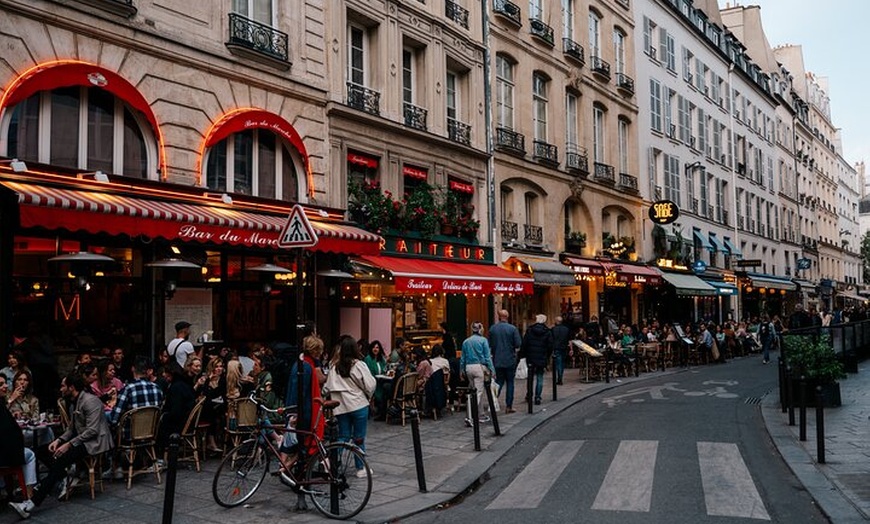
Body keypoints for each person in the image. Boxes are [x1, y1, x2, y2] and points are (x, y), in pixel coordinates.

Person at [10, 372, 113, 519]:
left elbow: (92, 430)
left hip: (95, 442)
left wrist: (69, 445)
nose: (61, 389)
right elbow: (71, 429)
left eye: (63, 386)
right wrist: (58, 440)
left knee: (61, 460)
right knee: (40, 451)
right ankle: (62, 476)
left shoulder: (90, 401)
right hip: (81, 439)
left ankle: (30, 504)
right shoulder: (74, 401)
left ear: (71, 387)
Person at [322, 335, 375, 478]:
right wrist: (369, 395)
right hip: (358, 405)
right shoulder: (358, 365)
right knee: (359, 438)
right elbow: (370, 385)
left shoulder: (334, 367)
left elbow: (326, 388)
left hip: (341, 407)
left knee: (343, 436)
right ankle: (360, 468)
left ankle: (330, 461)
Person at [106, 356, 164, 479]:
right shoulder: (157, 388)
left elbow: (115, 417)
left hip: (130, 434)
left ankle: (114, 465)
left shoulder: (128, 389)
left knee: (108, 422)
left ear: (133, 369)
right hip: (151, 432)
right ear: (147, 371)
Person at [282, 334, 326, 465]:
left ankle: (286, 467)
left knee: (293, 442)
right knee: (303, 442)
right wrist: (295, 412)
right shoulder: (306, 367)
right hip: (305, 410)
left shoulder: (301, 363)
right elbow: (300, 391)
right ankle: (286, 468)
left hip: (298, 408)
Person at [0, 375, 38, 515]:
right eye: (0, 384)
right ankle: (29, 496)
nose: (4, 386)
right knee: (31, 455)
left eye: (5, 383)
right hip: (5, 454)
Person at [460, 321, 495, 425]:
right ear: (480, 329)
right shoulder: (483, 340)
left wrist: (461, 370)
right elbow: (487, 357)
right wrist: (492, 369)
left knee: (473, 390)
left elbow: (463, 358)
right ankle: (470, 417)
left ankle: (481, 415)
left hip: (468, 368)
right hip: (479, 367)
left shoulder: (466, 341)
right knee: (478, 393)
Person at [488, 309, 522, 414]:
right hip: (510, 359)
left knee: (499, 382)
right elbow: (518, 343)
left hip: (497, 359)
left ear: (499, 317)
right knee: (510, 383)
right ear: (507, 317)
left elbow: (489, 344)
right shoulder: (512, 329)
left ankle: (493, 402)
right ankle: (509, 406)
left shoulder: (493, 329)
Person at [520, 314, 552, 406]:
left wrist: (522, 355)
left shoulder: (530, 330)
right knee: (539, 377)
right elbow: (550, 346)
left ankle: (529, 395)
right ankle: (538, 396)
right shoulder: (547, 332)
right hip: (541, 357)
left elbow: (524, 344)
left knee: (530, 378)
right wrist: (547, 356)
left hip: (531, 357)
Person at [551, 316, 571, 386]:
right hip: (564, 348)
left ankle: (559, 378)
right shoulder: (566, 329)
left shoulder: (553, 329)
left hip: (556, 348)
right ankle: (560, 376)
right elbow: (569, 340)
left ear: (556, 321)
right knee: (562, 363)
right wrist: (571, 349)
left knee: (558, 363)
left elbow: (551, 340)